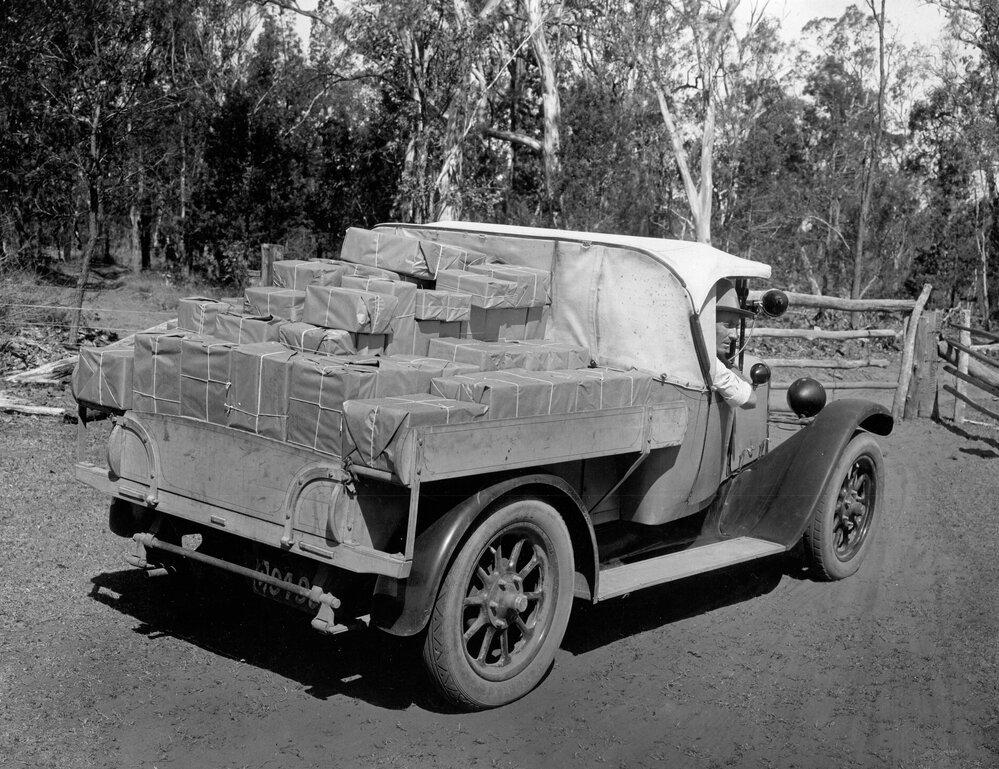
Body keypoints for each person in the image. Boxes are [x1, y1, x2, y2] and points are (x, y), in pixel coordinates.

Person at [712, 279, 757, 409]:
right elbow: (751, 400)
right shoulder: (711, 365)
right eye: (728, 325)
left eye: (736, 327)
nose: (734, 335)